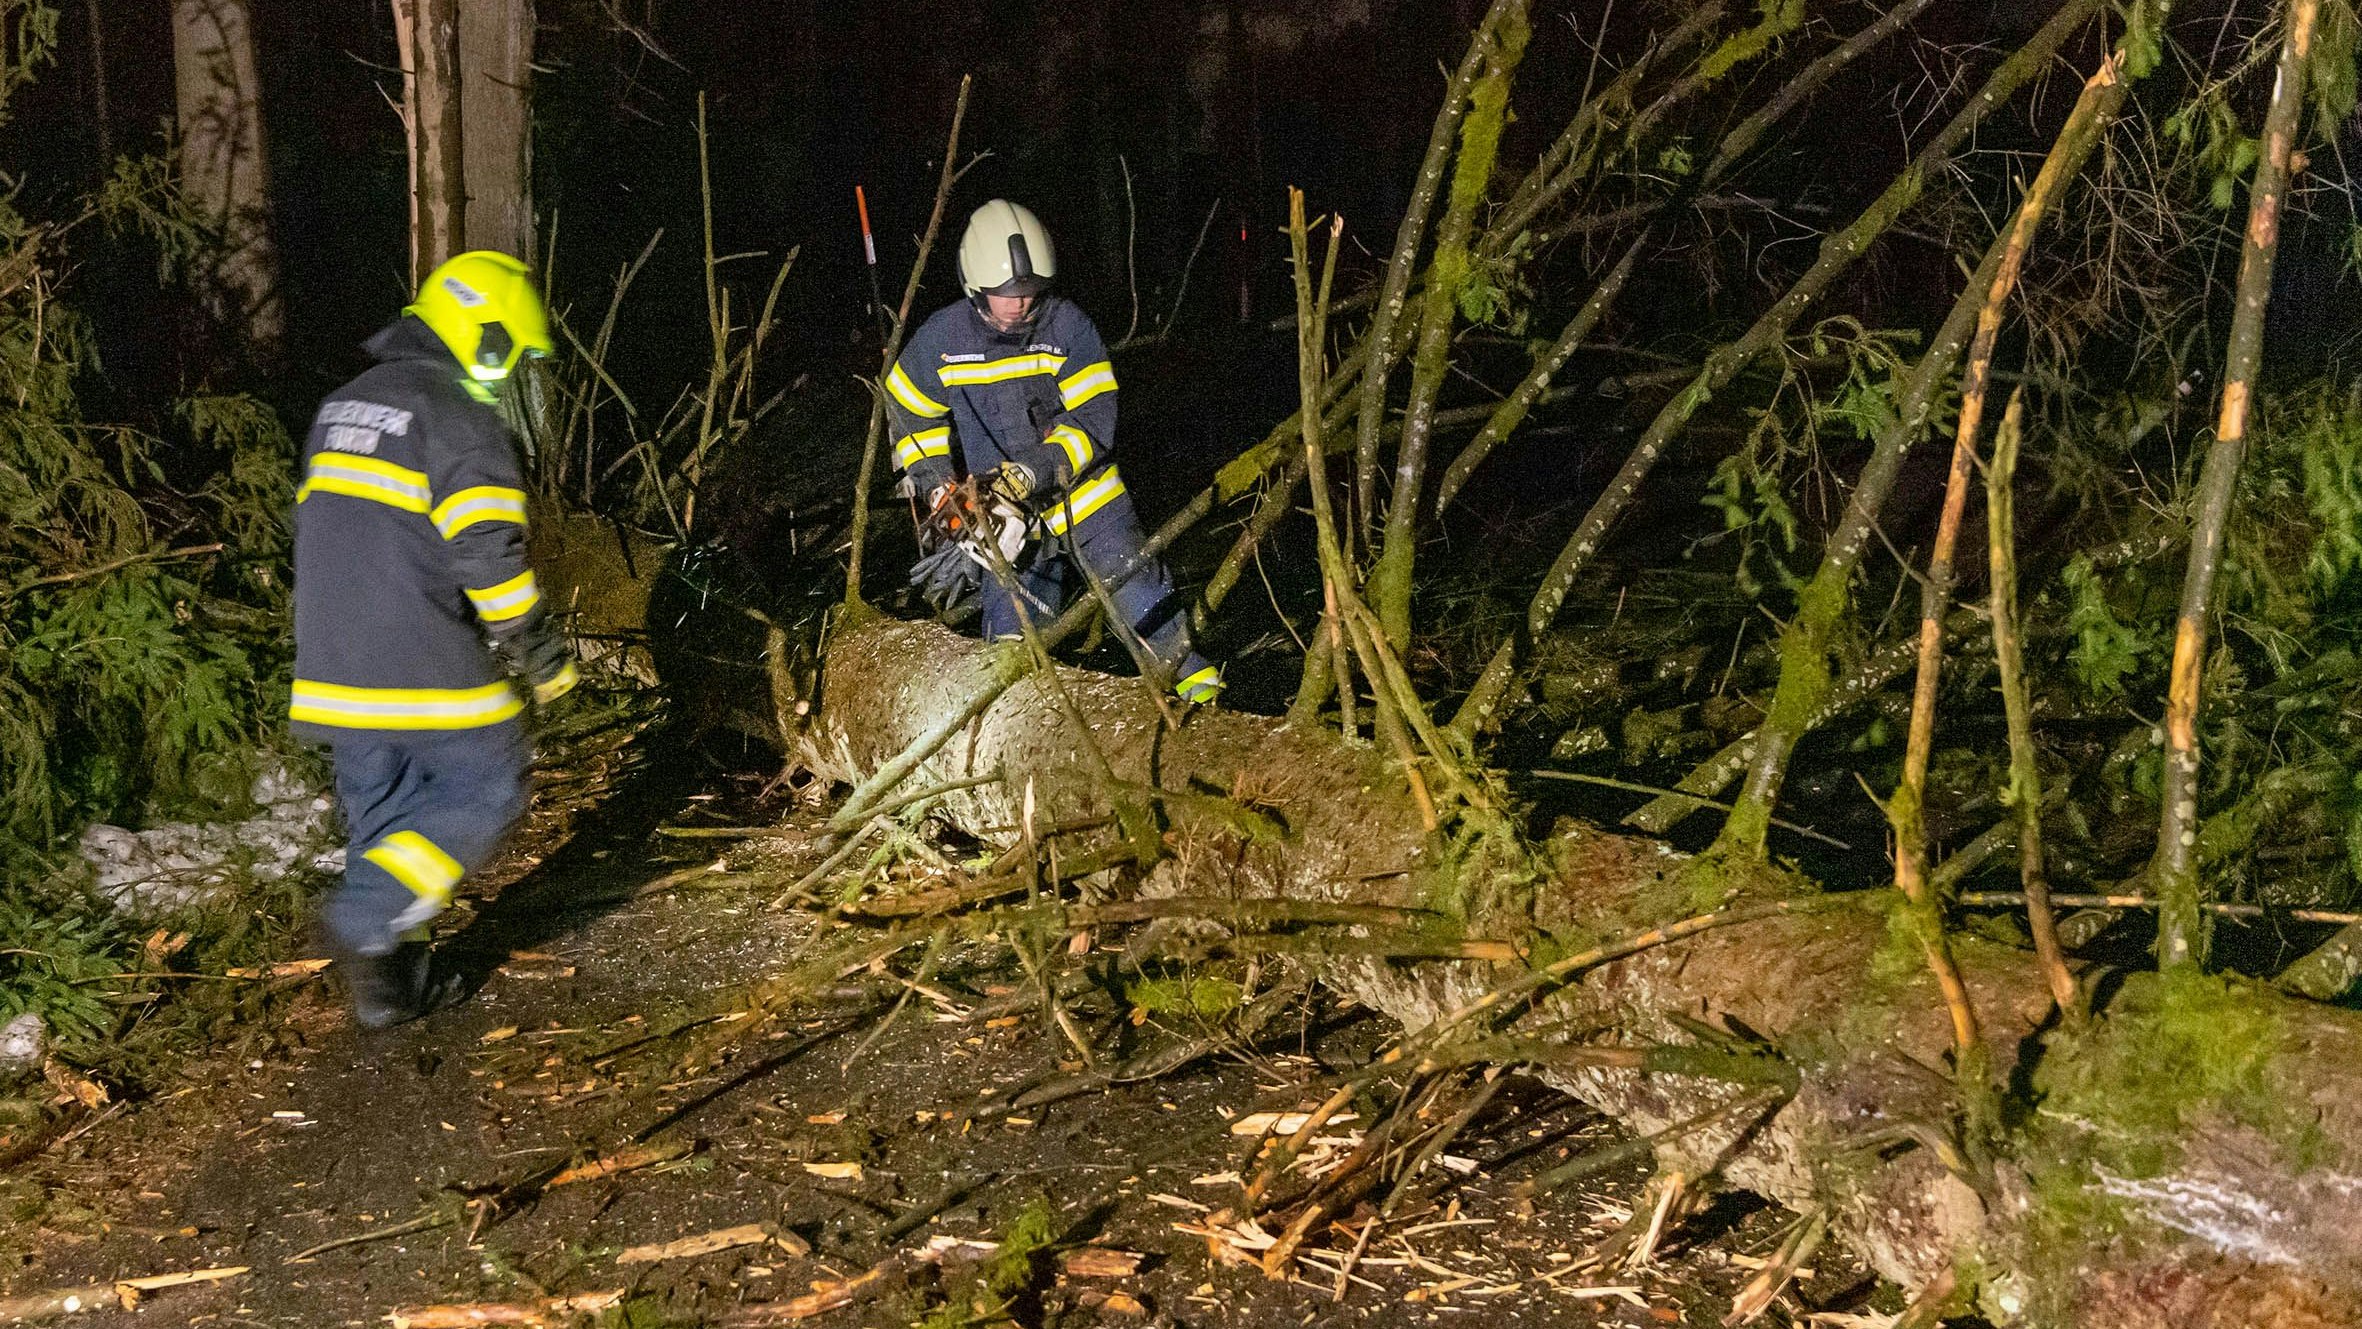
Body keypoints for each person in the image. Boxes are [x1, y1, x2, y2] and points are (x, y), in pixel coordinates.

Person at [289, 250, 575, 1029]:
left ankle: (394, 983)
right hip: (411, 649)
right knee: (489, 776)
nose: (511, 375)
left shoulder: (343, 405)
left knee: (385, 813)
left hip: (329, 665)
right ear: (484, 340)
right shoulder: (458, 418)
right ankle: (366, 914)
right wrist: (536, 649)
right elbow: (486, 549)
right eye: (513, 356)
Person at [885, 198, 1221, 704]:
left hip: (1091, 505)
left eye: (1029, 291)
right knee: (1009, 648)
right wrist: (944, 494)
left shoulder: (1068, 330)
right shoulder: (942, 341)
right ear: (974, 286)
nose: (1019, 304)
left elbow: (1091, 419)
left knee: (1151, 612)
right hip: (1009, 528)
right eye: (1005, 294)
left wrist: (1029, 473)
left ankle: (1207, 705)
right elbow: (909, 411)